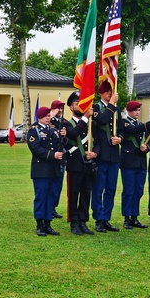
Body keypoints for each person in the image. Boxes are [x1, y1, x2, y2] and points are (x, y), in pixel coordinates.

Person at [60, 90, 97, 235]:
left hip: (88, 163)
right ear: (71, 107)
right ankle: (74, 222)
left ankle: (83, 221)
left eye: (82, 104)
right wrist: (86, 118)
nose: (80, 107)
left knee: (86, 193)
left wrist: (95, 153)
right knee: (74, 193)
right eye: (77, 104)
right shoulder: (66, 123)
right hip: (75, 164)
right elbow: (74, 133)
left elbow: (97, 141)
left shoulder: (90, 123)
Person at [26, 105, 65, 236]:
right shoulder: (34, 131)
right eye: (46, 116)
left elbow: (60, 144)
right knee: (41, 197)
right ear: (40, 117)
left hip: (53, 169)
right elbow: (36, 149)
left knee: (50, 197)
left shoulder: (53, 130)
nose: (49, 118)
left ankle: (48, 223)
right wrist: (52, 155)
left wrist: (63, 137)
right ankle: (39, 224)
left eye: (49, 116)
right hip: (41, 170)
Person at [91, 80, 121, 232]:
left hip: (114, 155)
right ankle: (98, 218)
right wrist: (111, 106)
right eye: (108, 91)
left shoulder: (116, 109)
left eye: (112, 91)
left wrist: (120, 138)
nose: (111, 94)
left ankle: (106, 218)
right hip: (101, 153)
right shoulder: (96, 107)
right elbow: (102, 119)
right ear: (101, 93)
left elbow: (121, 128)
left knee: (111, 188)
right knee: (98, 188)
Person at [119, 100, 149, 229]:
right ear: (129, 111)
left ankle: (134, 217)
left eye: (139, 110)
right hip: (129, 162)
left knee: (138, 190)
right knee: (129, 190)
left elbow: (149, 141)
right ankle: (127, 217)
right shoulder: (124, 122)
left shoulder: (141, 125)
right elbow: (132, 130)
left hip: (141, 162)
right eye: (135, 110)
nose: (137, 112)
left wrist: (146, 148)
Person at [48, 99, 67, 221]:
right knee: (50, 184)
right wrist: (51, 116)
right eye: (57, 108)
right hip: (51, 157)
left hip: (62, 156)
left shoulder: (64, 122)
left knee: (58, 184)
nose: (60, 110)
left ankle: (54, 207)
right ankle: (48, 207)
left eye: (61, 108)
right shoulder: (48, 120)